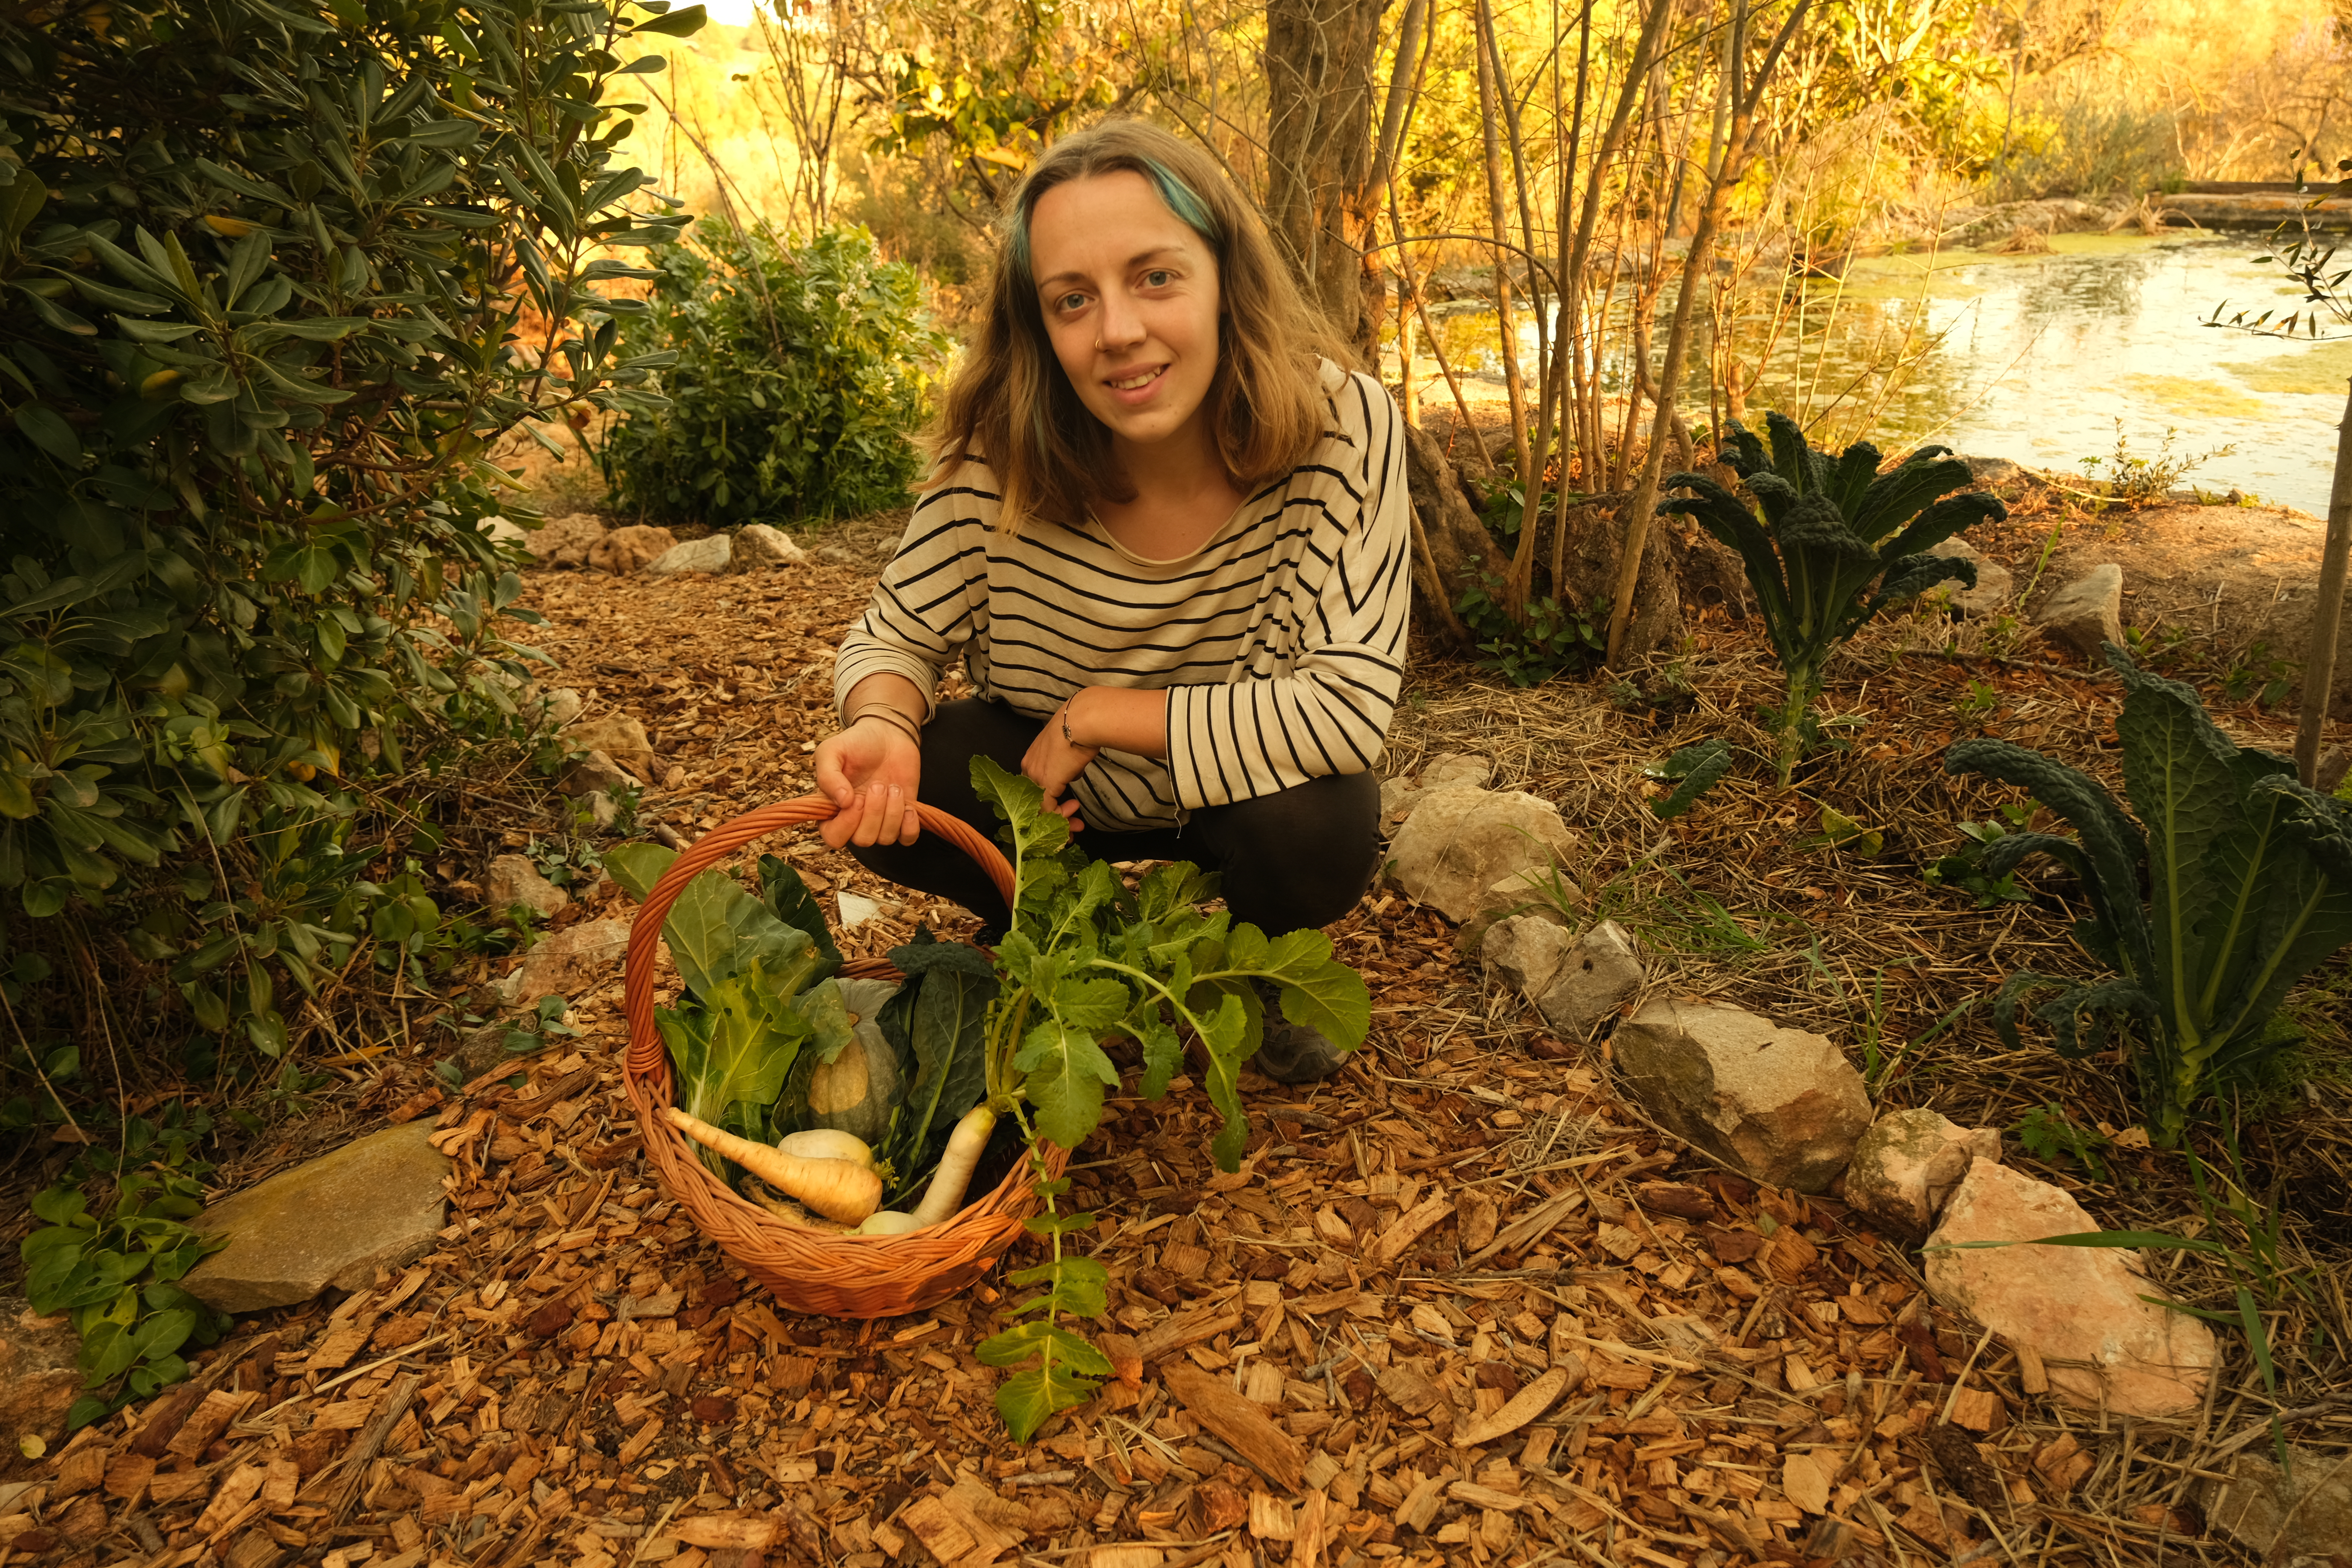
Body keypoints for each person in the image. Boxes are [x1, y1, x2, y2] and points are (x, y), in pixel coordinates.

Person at [810, 118, 1410, 1083]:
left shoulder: (1343, 426)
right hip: (1055, 800)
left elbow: (1346, 710)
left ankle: (1250, 960)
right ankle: (1046, 930)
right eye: (1073, 300)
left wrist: (1102, 712)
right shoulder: (998, 453)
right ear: (1038, 325)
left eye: (1156, 276)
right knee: (916, 775)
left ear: (1224, 277)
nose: (1120, 330)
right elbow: (897, 632)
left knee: (1319, 821)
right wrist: (882, 714)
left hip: (1230, 793)